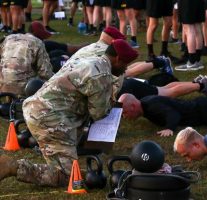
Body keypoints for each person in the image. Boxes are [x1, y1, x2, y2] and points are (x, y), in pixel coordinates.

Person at [0, 39, 138, 187]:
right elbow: (98, 112)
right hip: (51, 118)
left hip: (41, 111)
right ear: (117, 59)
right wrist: (111, 104)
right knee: (69, 177)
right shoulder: (102, 74)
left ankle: (71, 166)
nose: (125, 69)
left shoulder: (90, 60)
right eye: (125, 64)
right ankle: (12, 167)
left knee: (66, 166)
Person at [0, 23, 53, 97]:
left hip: (3, 85)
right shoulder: (38, 43)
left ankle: (8, 98)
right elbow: (45, 73)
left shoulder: (9, 38)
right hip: (24, 89)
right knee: (45, 82)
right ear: (40, 37)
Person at [118, 74, 207, 100]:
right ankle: (195, 83)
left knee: (166, 94)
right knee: (164, 89)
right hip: (126, 84)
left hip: (126, 87)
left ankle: (201, 85)